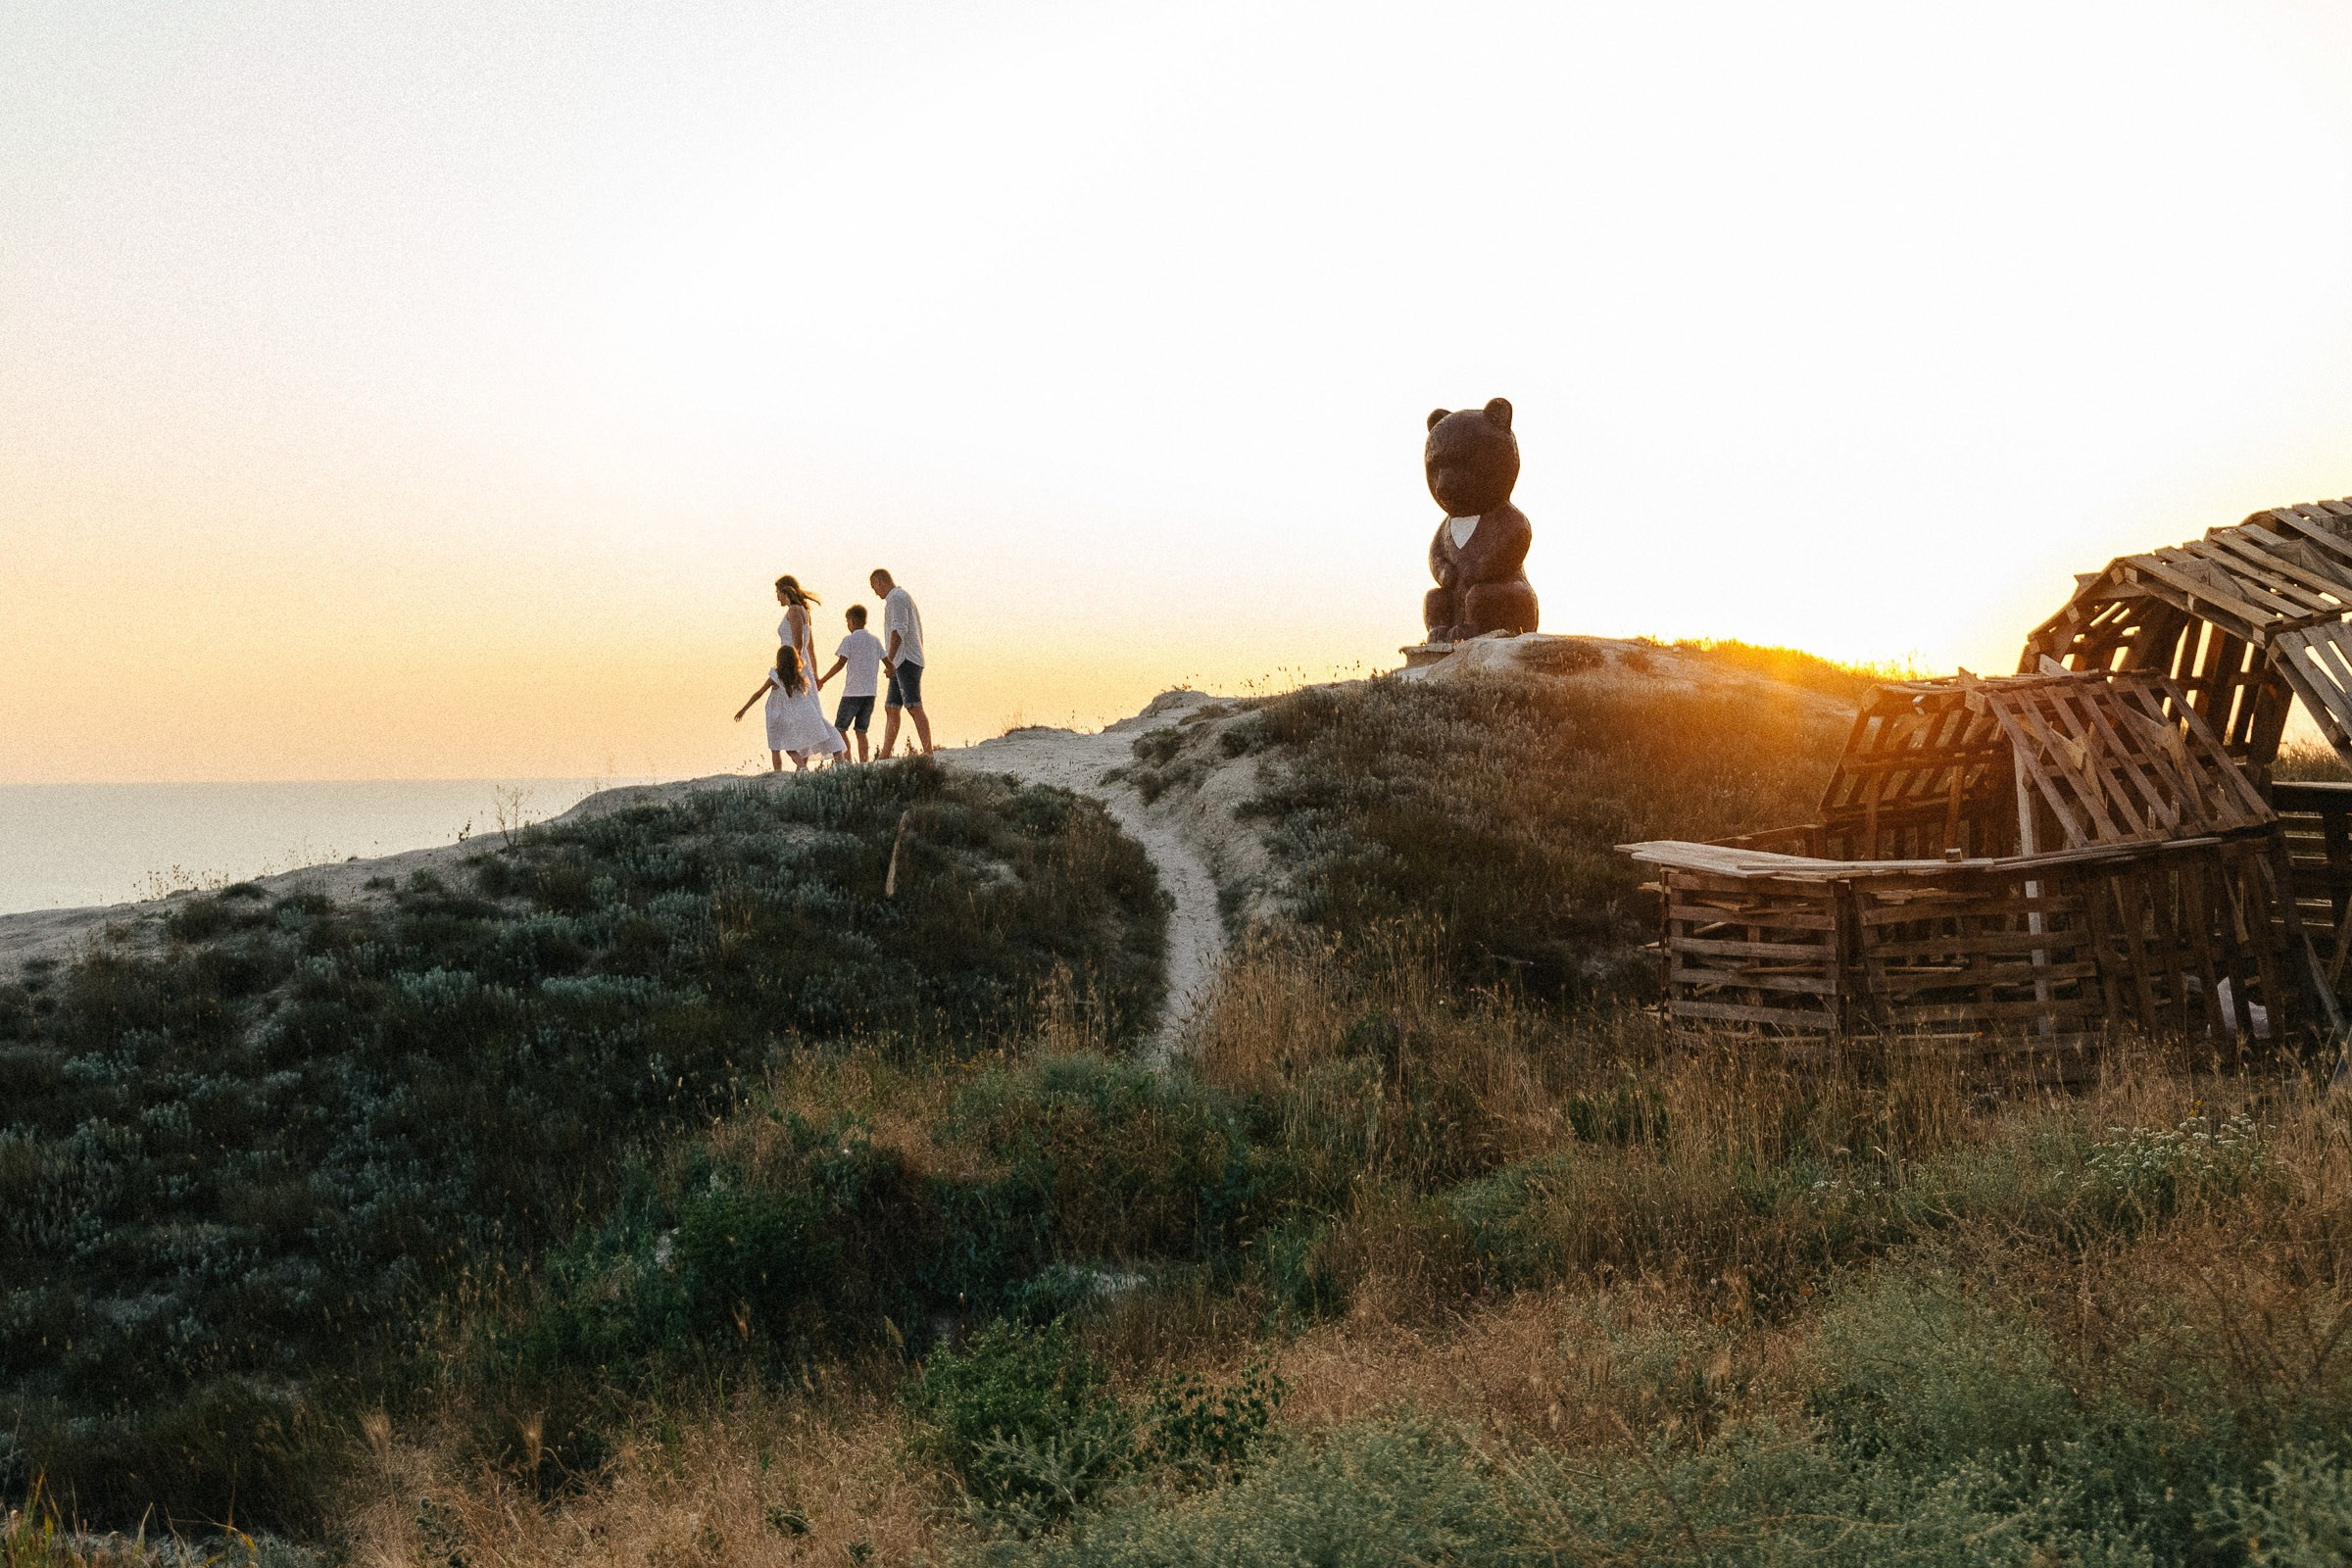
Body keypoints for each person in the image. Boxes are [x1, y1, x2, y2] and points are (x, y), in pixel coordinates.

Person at [748, 575, 847, 769]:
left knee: (809, 716)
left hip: (794, 669)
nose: (777, 597)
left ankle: (836, 755)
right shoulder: (804, 611)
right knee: (803, 716)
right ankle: (803, 765)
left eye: (778, 593)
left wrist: (791, 672)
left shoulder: (794, 611)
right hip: (802, 668)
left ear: (786, 592)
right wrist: (815, 674)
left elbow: (799, 645)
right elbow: (811, 649)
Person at [733, 646, 837, 771]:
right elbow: (801, 698)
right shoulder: (798, 678)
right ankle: (802, 767)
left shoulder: (775, 676)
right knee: (790, 747)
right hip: (789, 716)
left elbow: (759, 694)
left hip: (775, 716)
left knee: (775, 747)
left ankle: (778, 773)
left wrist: (744, 709)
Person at [870, 567, 932, 757]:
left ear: (879, 581)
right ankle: (885, 754)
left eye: (874, 587)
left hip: (906, 659)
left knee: (914, 706)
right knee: (891, 707)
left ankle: (928, 752)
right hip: (900, 661)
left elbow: (899, 630)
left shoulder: (896, 598)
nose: (875, 591)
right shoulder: (897, 598)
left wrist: (889, 661)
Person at [815, 604, 886, 761]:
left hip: (852, 693)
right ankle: (864, 762)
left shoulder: (849, 640)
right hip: (870, 693)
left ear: (852, 621)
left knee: (840, 729)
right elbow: (887, 661)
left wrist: (823, 680)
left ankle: (847, 761)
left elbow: (840, 663)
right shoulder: (875, 640)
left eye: (847, 621)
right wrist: (890, 671)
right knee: (861, 731)